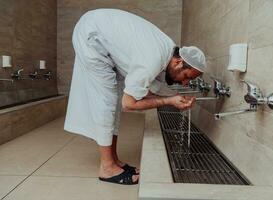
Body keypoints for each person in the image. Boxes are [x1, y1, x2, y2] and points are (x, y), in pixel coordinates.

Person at [64, 9, 206, 185]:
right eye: (187, 77)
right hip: (91, 36)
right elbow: (129, 104)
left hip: (97, 28)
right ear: (178, 63)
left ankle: (114, 161)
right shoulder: (153, 59)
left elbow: (150, 87)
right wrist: (169, 101)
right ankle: (107, 168)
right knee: (107, 101)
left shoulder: (168, 51)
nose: (185, 83)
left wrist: (175, 97)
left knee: (112, 101)